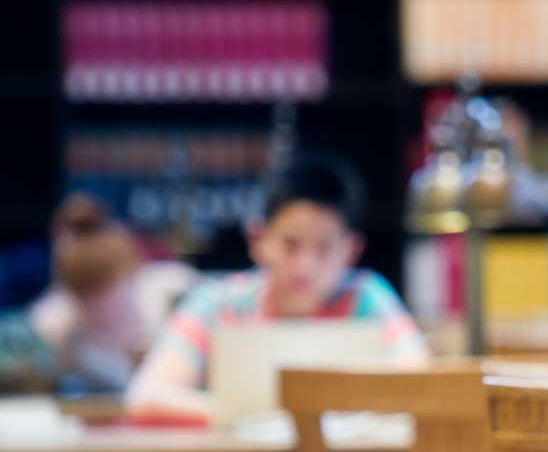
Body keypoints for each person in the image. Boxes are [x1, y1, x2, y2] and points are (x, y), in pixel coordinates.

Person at [126, 152, 429, 422]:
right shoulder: (219, 302)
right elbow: (145, 395)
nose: (304, 266)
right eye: (290, 244)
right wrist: (241, 419)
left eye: (324, 248)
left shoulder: (367, 296)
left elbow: (419, 380)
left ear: (350, 250)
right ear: (258, 240)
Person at [0, 193, 196, 393]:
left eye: (106, 290)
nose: (102, 306)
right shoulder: (58, 319)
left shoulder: (169, 290)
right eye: (88, 295)